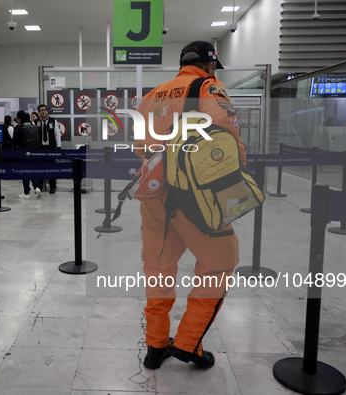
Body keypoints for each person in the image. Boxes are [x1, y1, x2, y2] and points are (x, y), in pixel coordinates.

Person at [135, 40, 247, 370]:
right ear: (210, 65)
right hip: (197, 196)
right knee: (219, 263)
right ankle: (187, 344)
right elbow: (229, 139)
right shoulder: (210, 89)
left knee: (158, 269)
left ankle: (155, 346)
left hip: (154, 194)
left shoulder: (152, 95)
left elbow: (140, 147)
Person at [12, 111, 42, 199]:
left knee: (25, 171)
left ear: (19, 118)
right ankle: (37, 187)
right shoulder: (34, 126)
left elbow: (14, 142)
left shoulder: (18, 127)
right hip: (33, 152)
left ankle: (26, 192)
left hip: (23, 153)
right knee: (32, 170)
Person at [36, 104, 61, 193]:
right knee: (40, 167)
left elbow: (57, 134)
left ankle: (53, 186)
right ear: (39, 112)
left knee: (52, 167)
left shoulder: (53, 121)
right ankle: (40, 186)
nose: (43, 111)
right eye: (41, 110)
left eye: (44, 110)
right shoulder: (36, 122)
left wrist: (58, 147)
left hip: (51, 148)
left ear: (47, 110)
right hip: (40, 148)